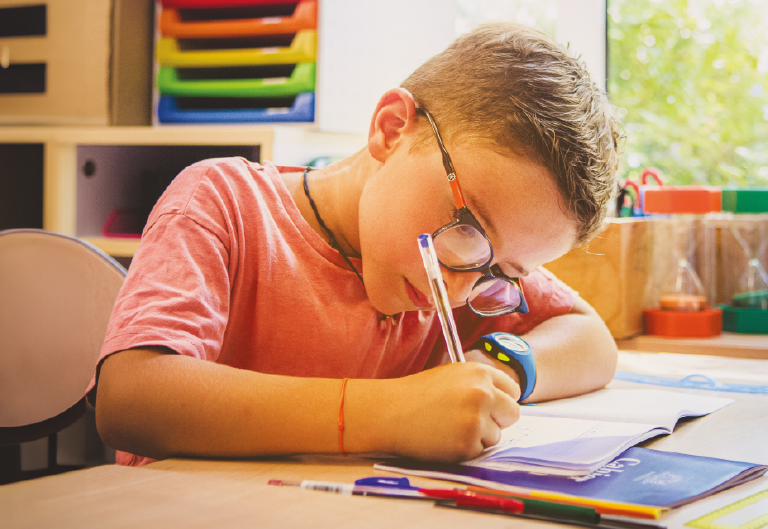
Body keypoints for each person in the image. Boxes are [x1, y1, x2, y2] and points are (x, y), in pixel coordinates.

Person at [92, 22, 622, 467]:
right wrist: (387, 413)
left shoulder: (469, 272)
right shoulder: (226, 204)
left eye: (504, 273)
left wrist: (496, 373)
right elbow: (131, 399)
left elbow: (592, 341)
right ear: (392, 130)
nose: (462, 288)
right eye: (468, 227)